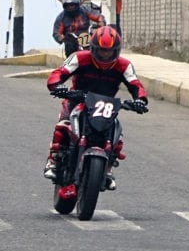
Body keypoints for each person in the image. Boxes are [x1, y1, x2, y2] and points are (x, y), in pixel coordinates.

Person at [43, 25, 148, 190]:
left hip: (106, 105)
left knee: (116, 133)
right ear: (93, 48)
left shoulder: (124, 65)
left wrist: (140, 100)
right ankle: (53, 160)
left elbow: (136, 84)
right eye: (101, 51)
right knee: (64, 125)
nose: (105, 55)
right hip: (77, 100)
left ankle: (108, 168)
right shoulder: (79, 58)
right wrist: (56, 86)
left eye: (109, 51)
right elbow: (59, 72)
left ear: (117, 51)